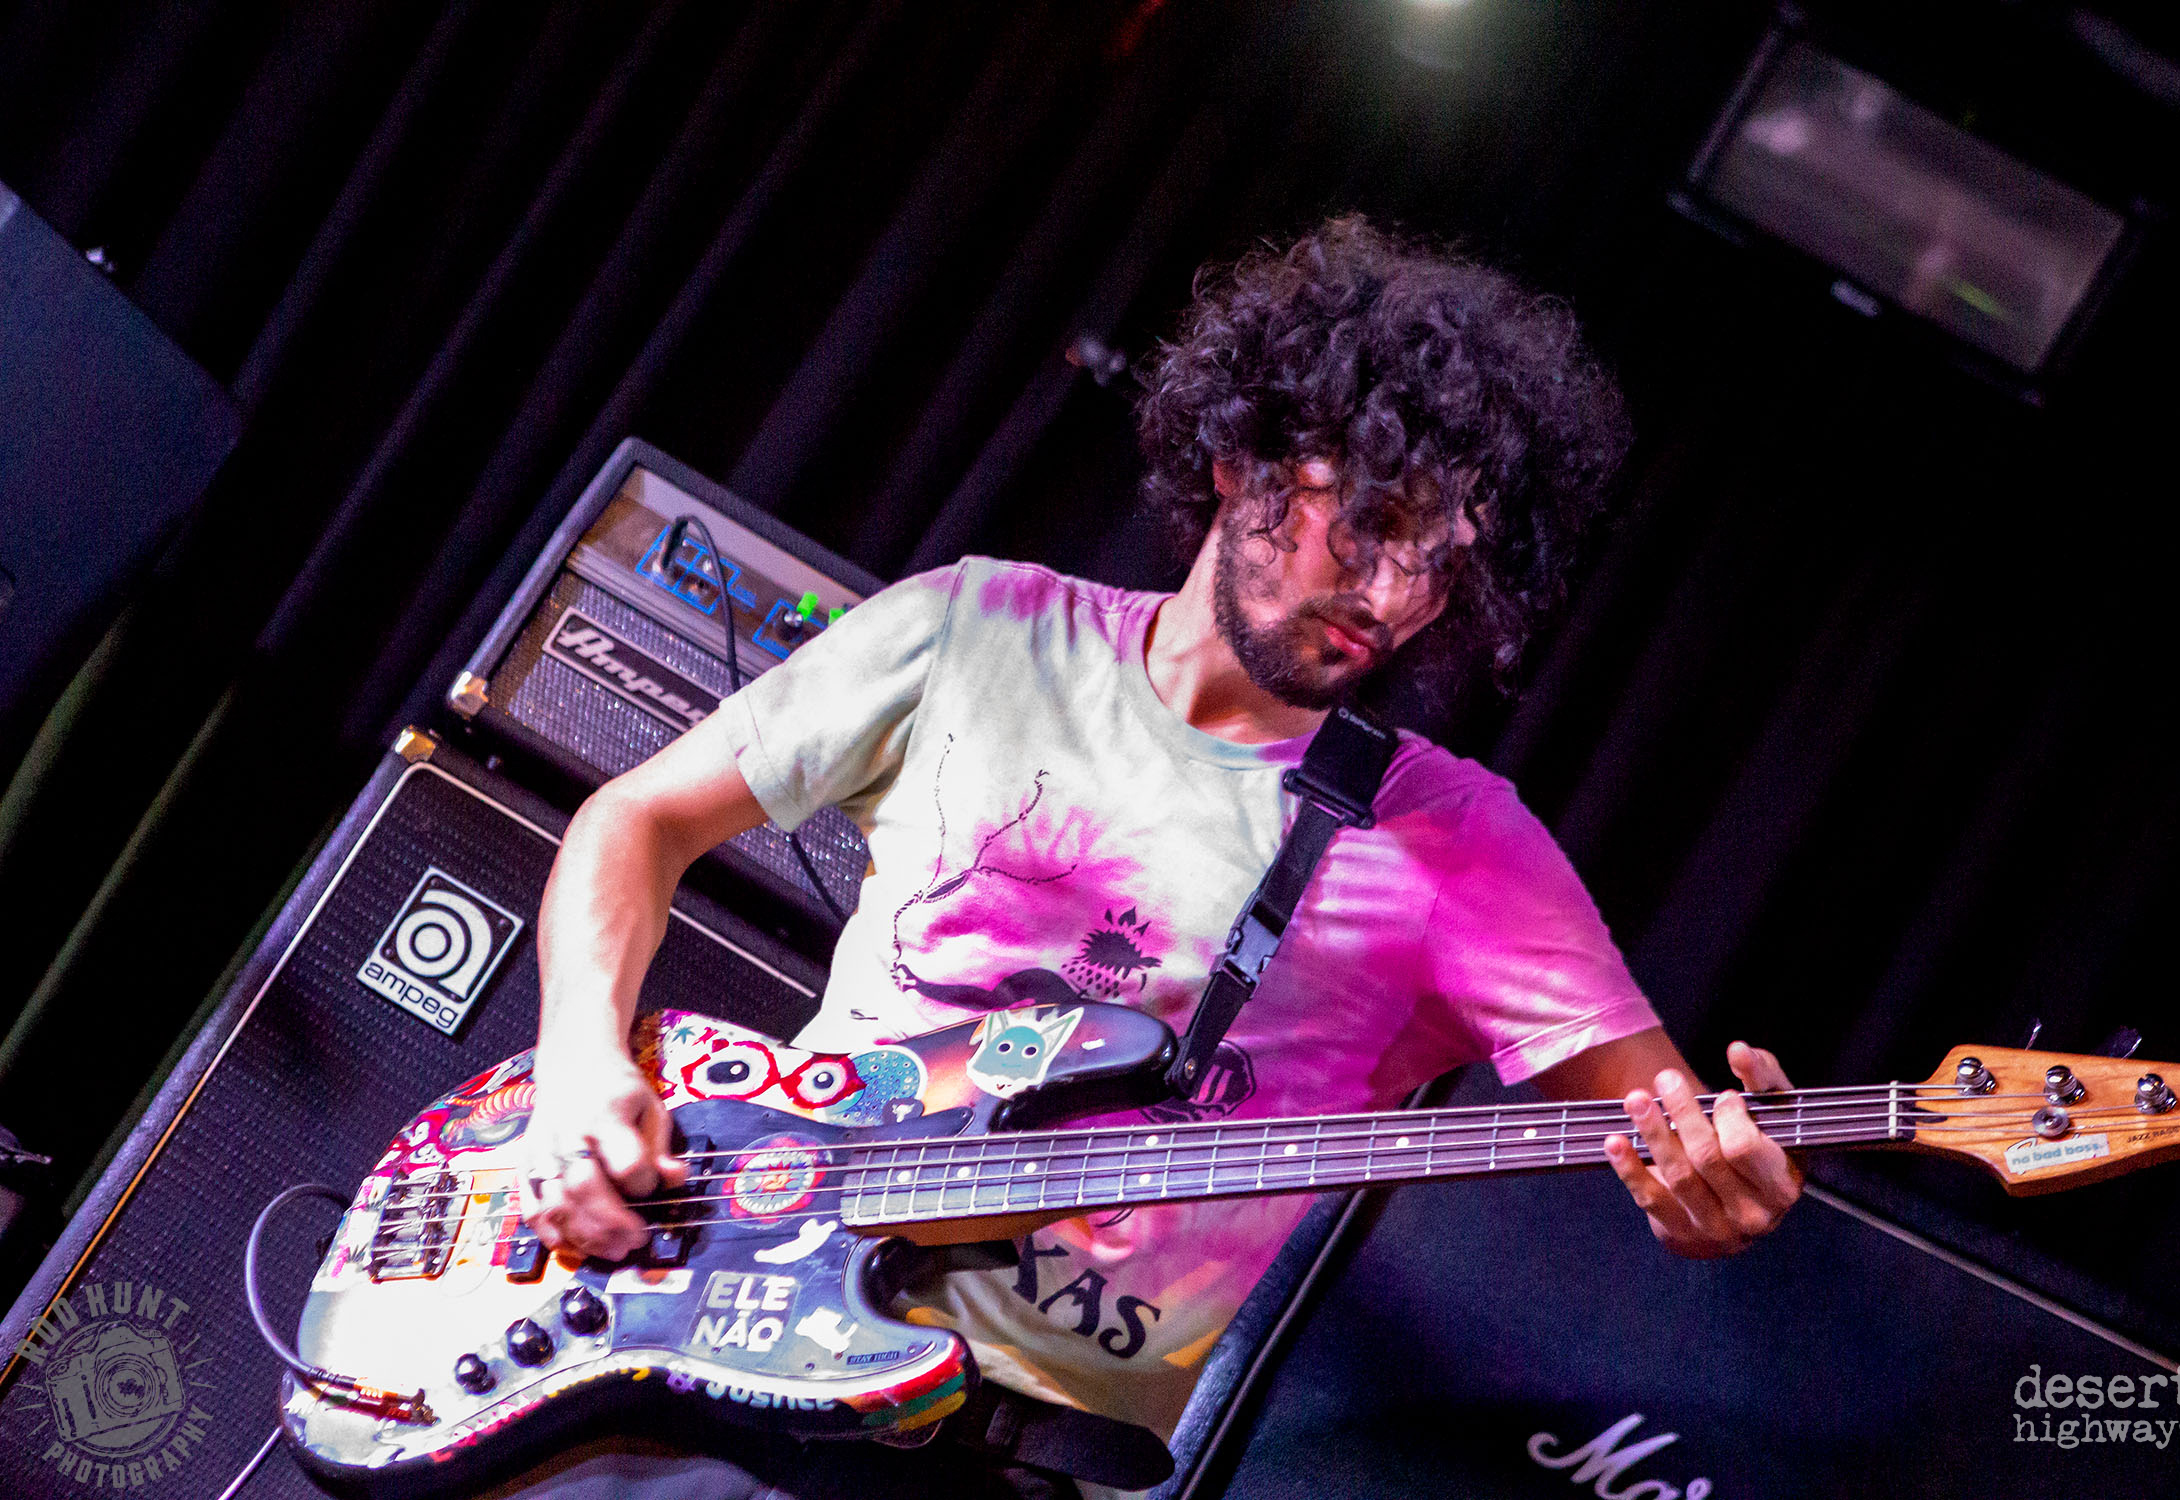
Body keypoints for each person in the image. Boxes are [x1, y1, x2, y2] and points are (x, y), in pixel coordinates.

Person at [509, 218, 1803, 1497]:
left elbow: (1676, 1127)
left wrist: (1715, 1193)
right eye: (1371, 524)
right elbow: (637, 821)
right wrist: (575, 1070)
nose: (1394, 596)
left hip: (987, 1453)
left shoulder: (1456, 843)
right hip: (700, 1324)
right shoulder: (977, 628)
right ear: (1243, 460)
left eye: (1441, 565)